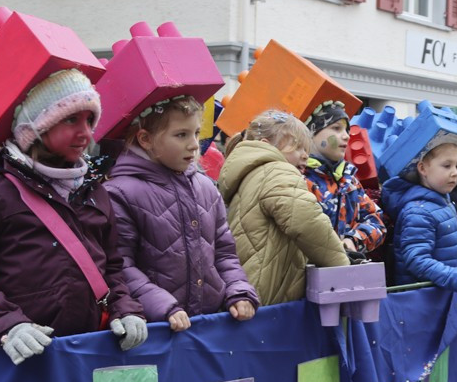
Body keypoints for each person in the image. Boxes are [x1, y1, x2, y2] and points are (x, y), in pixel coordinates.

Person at [0, 69, 147, 364]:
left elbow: (112, 265)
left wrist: (125, 308)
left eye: (90, 120)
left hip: (89, 354)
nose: (86, 133)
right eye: (70, 119)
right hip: (26, 362)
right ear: (35, 128)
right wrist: (9, 325)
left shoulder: (94, 188)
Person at [105, 96, 259, 330]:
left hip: (208, 325)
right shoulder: (120, 192)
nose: (194, 144)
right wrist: (164, 306)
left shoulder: (206, 187)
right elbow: (121, 265)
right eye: (181, 135)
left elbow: (225, 254)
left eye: (196, 133)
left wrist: (238, 291)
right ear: (145, 139)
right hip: (156, 328)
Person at [218, 110, 350, 306]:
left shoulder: (249, 175)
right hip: (270, 297)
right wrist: (342, 265)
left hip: (249, 289)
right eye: (298, 148)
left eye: (307, 149)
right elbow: (307, 222)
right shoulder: (276, 170)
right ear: (265, 146)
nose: (306, 156)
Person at [379, 140, 457, 291]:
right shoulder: (419, 211)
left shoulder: (442, 203)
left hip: (439, 297)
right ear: (423, 168)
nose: (454, 173)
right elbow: (417, 260)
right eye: (446, 166)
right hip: (421, 301)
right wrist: (455, 277)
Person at [302, 101, 387, 255]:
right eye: (336, 128)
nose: (346, 136)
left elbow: (376, 220)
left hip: (344, 272)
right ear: (311, 132)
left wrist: (354, 240)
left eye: (346, 130)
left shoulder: (350, 181)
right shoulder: (299, 178)